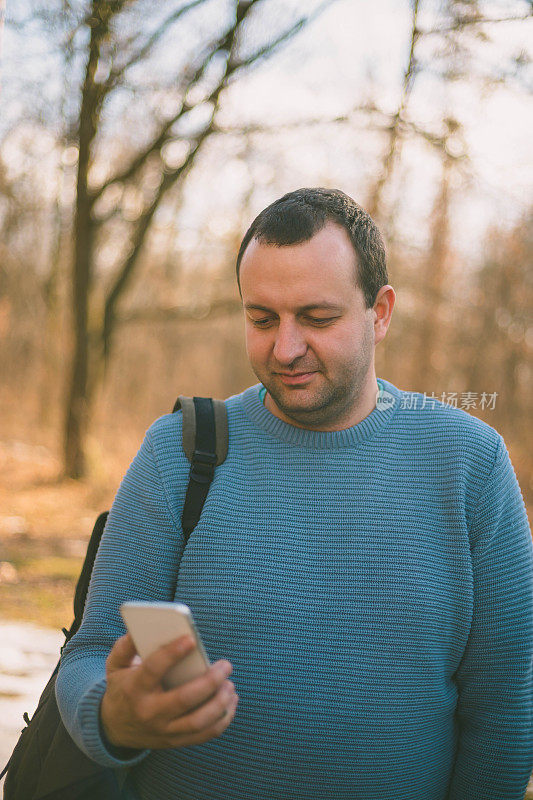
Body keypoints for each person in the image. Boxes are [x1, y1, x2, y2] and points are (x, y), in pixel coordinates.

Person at [55, 187, 533, 800]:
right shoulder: (180, 450)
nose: (285, 349)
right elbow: (93, 651)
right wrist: (113, 716)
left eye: (317, 318)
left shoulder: (470, 463)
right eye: (261, 319)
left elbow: (502, 708)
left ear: (380, 312)